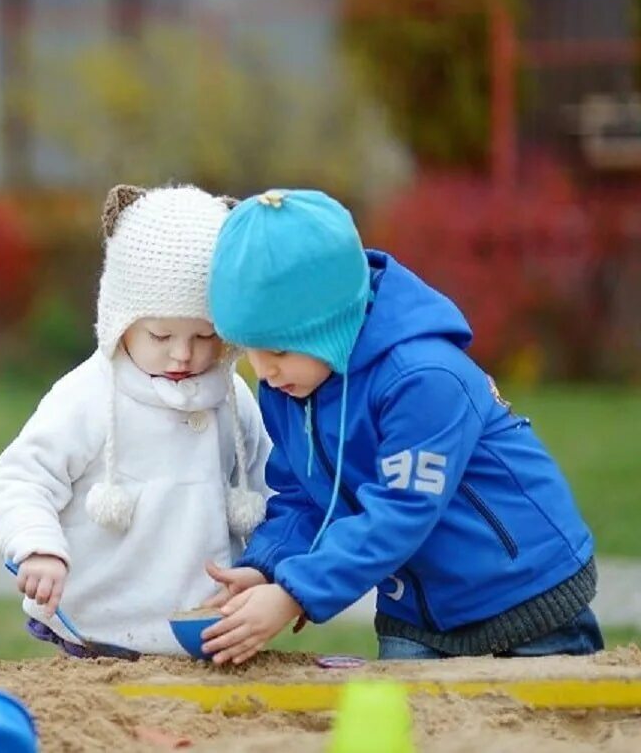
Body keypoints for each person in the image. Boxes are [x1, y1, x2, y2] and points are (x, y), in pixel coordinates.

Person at [200, 188, 602, 664]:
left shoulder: (425, 377)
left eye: (280, 350)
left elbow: (400, 510)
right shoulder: (290, 388)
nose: (263, 371)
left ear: (328, 326)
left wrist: (296, 592)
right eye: (250, 349)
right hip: (415, 611)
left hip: (525, 595)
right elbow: (305, 499)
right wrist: (270, 568)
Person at [0, 184, 270, 656]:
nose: (183, 353)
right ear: (121, 320)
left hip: (203, 624)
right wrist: (38, 547)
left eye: (205, 335)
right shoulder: (88, 396)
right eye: (161, 334)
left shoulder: (232, 397)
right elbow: (22, 478)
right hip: (101, 628)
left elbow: (269, 484)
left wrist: (272, 571)